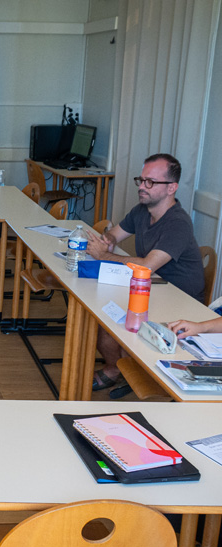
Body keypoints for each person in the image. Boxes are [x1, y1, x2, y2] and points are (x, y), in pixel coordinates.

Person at [86, 153, 205, 391]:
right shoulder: (143, 210)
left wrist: (104, 254)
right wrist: (107, 239)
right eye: (140, 180)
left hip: (178, 302)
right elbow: (114, 234)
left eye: (150, 182)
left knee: (108, 320)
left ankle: (117, 368)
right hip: (150, 289)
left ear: (171, 188)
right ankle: (121, 365)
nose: (142, 186)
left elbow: (147, 266)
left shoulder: (177, 223)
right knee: (101, 313)